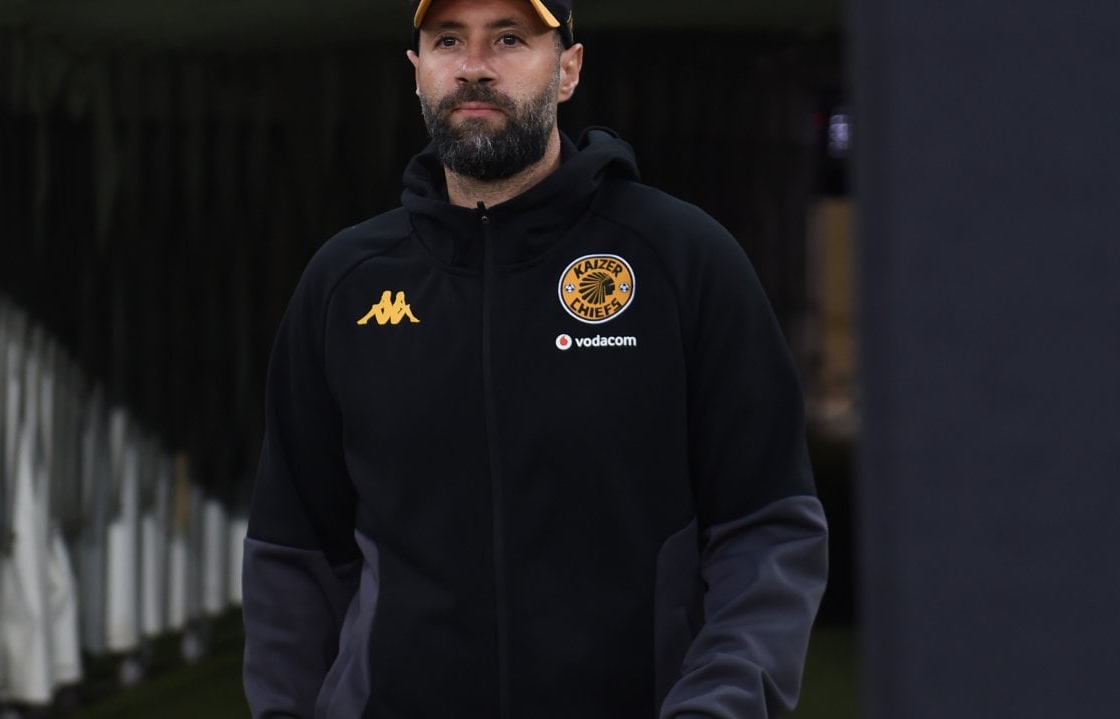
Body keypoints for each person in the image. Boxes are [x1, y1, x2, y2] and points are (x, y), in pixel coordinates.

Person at [241, 0, 828, 717]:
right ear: (417, 72)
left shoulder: (682, 259)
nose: (476, 67)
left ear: (569, 70)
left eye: (511, 38)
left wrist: (719, 705)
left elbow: (765, 526)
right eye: (448, 40)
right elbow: (294, 553)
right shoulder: (345, 282)